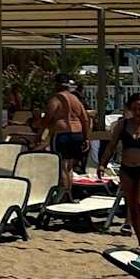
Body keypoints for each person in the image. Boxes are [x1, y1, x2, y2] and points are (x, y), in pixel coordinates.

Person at [97, 92, 140, 244]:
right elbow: (111, 146)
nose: (137, 112)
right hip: (127, 168)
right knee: (133, 206)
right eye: (134, 109)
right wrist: (102, 164)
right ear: (129, 109)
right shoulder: (123, 125)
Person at [43, 73, 89, 201]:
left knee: (62, 166)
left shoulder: (56, 99)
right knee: (69, 167)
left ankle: (64, 196)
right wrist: (86, 137)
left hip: (62, 134)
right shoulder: (75, 100)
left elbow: (47, 117)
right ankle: (69, 195)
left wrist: (39, 134)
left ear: (56, 84)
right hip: (77, 134)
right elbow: (85, 119)